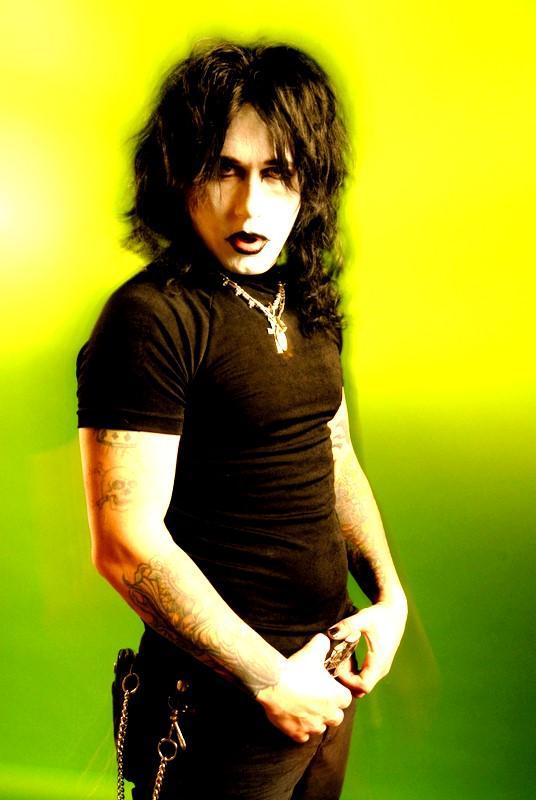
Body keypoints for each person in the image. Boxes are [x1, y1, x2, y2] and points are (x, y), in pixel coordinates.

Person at [76, 40, 407, 800]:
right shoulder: (151, 319)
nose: (250, 206)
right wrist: (269, 680)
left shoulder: (307, 299)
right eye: (223, 170)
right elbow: (126, 545)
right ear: (179, 174)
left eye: (277, 172)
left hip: (324, 680)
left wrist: (388, 601)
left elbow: (334, 456)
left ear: (310, 181)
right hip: (220, 706)